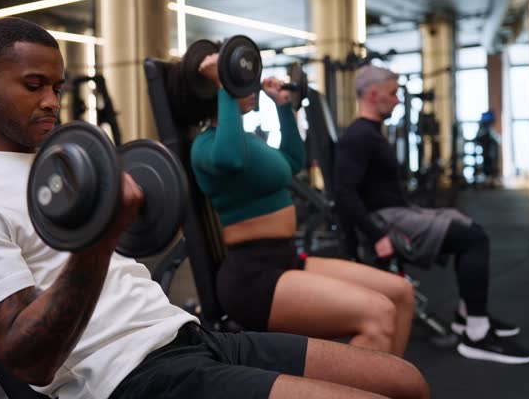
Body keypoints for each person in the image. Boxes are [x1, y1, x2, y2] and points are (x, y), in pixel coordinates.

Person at [0, 18, 429, 399]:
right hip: (129, 375)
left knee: (405, 381)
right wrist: (98, 240)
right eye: (34, 86)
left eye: (57, 88)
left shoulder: (56, 166)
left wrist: (122, 225)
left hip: (185, 334)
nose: (52, 101)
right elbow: (29, 361)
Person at [174, 53, 414, 357]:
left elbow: (292, 162)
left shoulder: (250, 140)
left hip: (286, 259)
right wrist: (225, 87)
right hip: (253, 278)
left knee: (400, 294)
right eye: (236, 82)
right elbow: (231, 158)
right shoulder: (206, 146)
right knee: (377, 315)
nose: (249, 87)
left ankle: (386, 385)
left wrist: (283, 108)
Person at [334, 64, 529, 365]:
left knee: (468, 225)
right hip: (385, 222)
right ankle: (476, 335)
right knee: (472, 238)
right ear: (374, 95)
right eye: (393, 94)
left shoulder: (373, 132)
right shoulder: (359, 136)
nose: (398, 100)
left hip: (399, 212)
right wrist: (378, 237)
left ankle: (466, 316)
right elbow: (343, 193)